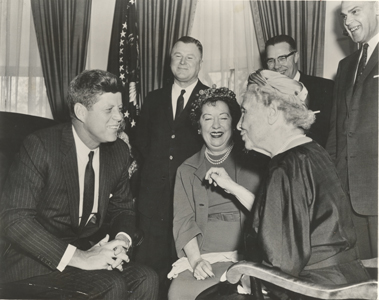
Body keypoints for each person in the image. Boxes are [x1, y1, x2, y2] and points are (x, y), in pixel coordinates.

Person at [196, 70, 370, 300]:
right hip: (347, 283)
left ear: (271, 113)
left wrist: (242, 278)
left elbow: (281, 266)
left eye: (245, 112)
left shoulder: (286, 167)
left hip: (315, 290)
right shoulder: (312, 152)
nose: (239, 125)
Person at [0, 69, 158, 299]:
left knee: (147, 278)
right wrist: (81, 258)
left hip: (83, 258)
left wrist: (121, 241)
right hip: (32, 267)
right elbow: (13, 219)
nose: (119, 117)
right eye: (109, 110)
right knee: (110, 284)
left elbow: (122, 209)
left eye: (120, 108)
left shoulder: (118, 152)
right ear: (81, 111)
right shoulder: (41, 146)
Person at [167, 86, 265, 299]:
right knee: (179, 292)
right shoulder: (186, 169)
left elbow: (267, 213)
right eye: (208, 119)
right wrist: (196, 261)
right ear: (199, 126)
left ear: (233, 122)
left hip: (250, 256)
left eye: (223, 117)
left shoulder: (254, 162)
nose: (216, 126)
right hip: (205, 257)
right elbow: (184, 221)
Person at [134, 36, 208, 295]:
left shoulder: (210, 100)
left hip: (191, 206)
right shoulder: (153, 99)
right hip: (152, 206)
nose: (183, 62)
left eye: (190, 57)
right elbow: (141, 144)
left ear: (200, 63)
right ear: (170, 61)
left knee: (186, 280)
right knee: (148, 276)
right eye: (178, 56)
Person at [326, 1, 378, 260]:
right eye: (344, 15)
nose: (347, 21)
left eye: (355, 11)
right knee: (360, 281)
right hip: (349, 196)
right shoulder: (346, 65)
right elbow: (337, 133)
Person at [265, 34, 334, 147]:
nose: (277, 66)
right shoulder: (263, 96)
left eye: (282, 58)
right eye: (271, 61)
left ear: (296, 56)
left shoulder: (325, 87)